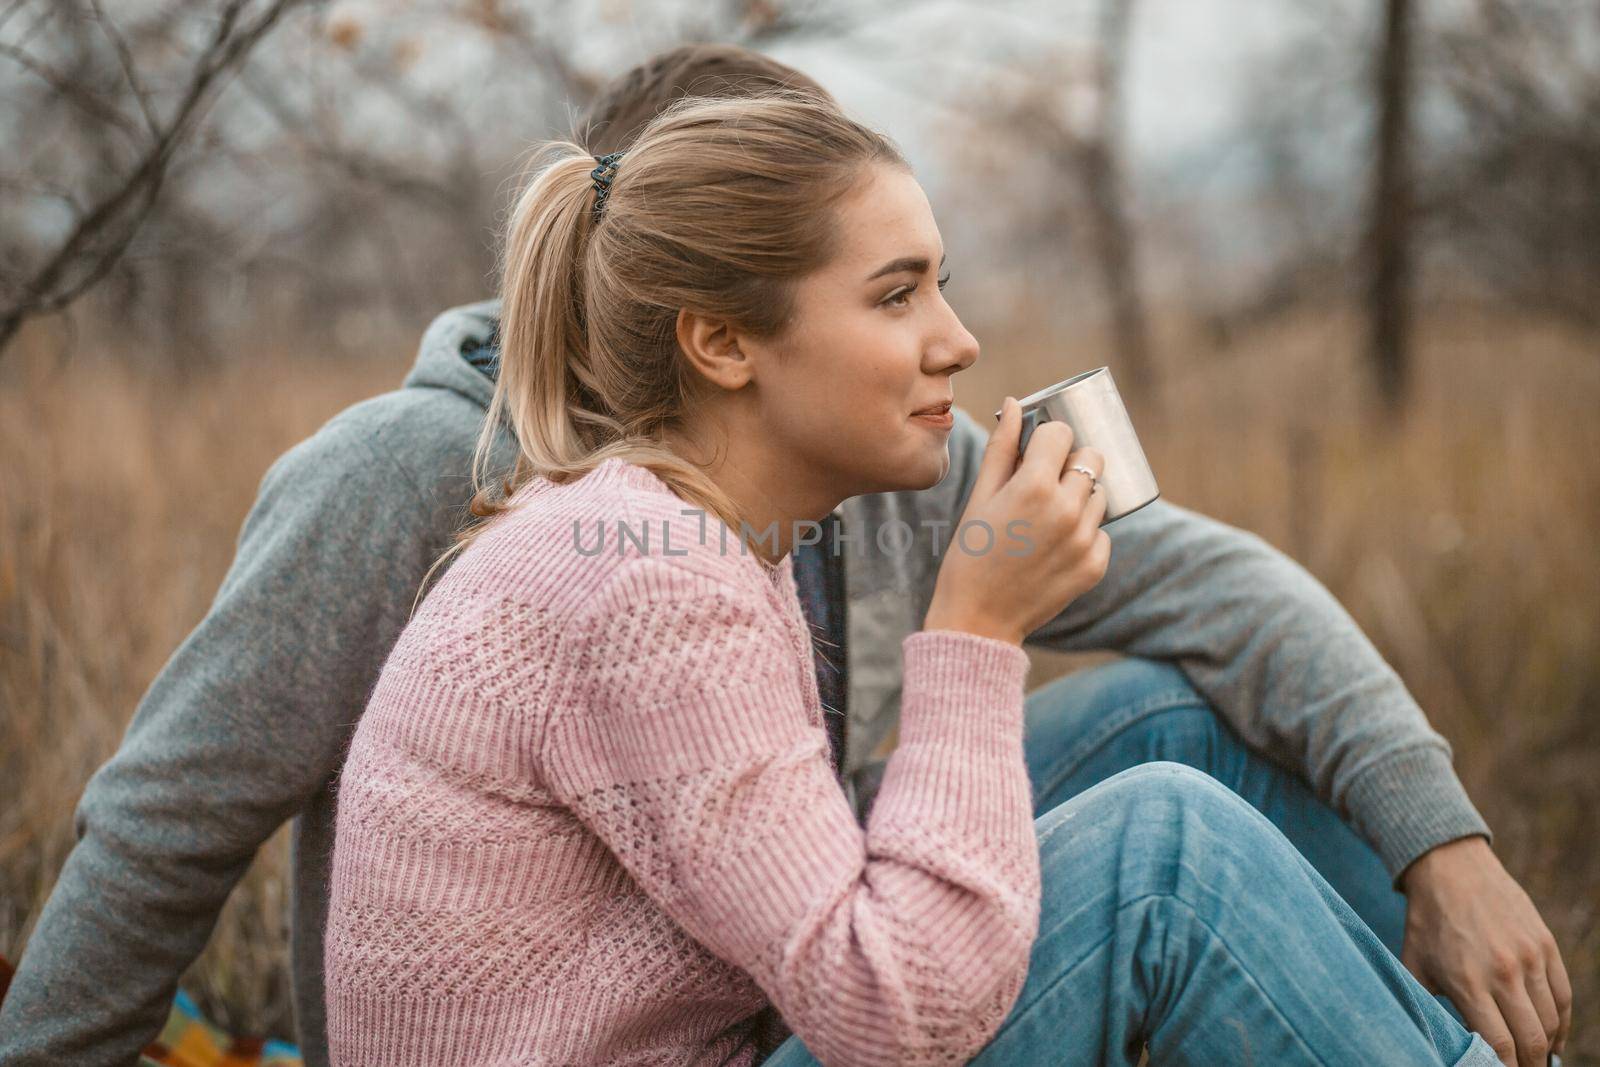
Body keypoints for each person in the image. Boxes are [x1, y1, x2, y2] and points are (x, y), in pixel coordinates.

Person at [0, 45, 1568, 1067]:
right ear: (708, 317)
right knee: (1158, 844)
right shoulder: (441, 484)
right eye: (893, 291)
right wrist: (971, 632)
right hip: (707, 1012)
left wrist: (1446, 840)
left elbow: (1220, 582)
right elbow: (164, 829)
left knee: (1171, 712)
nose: (958, 341)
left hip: (749, 981)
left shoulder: (879, 447)